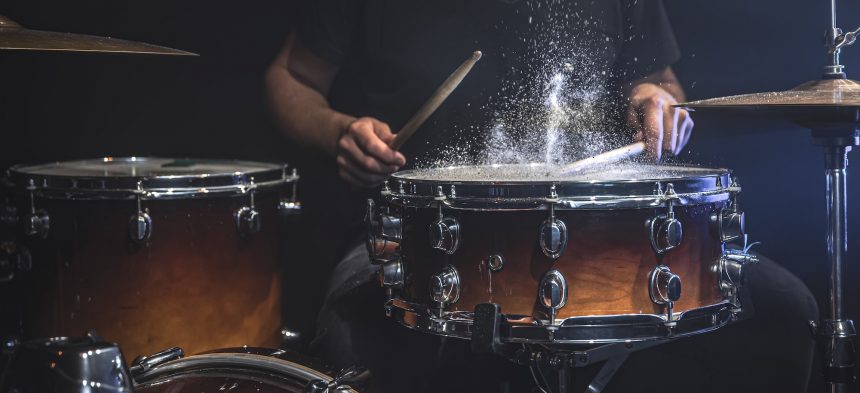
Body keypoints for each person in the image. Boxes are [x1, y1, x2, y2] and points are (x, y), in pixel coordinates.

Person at [266, 1, 817, 392]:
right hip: (418, 235)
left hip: (604, 237)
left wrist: (658, 98)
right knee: (349, 333)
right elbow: (290, 76)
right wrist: (337, 130)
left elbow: (660, 81)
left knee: (782, 309)